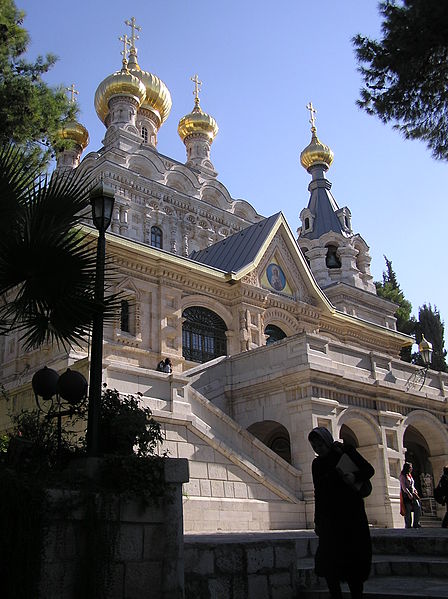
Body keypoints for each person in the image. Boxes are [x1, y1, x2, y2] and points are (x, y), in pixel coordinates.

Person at [308, 427, 374, 599]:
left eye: (320, 444)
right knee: (330, 565)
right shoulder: (317, 464)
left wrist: (354, 476)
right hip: (330, 520)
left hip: (351, 517)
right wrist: (317, 520)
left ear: (327, 441)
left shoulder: (345, 452)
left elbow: (369, 470)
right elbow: (318, 493)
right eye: (314, 446)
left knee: (353, 562)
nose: (317, 448)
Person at [399, 462, 421, 528]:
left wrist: (414, 490)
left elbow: (412, 485)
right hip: (406, 495)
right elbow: (403, 486)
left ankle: (416, 523)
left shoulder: (410, 475)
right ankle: (408, 525)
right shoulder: (402, 476)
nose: (412, 468)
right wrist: (408, 494)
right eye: (410, 467)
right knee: (408, 509)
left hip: (412, 493)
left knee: (417, 506)